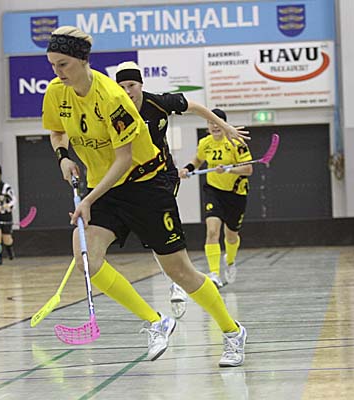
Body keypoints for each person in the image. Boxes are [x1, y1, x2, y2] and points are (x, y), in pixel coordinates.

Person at [42, 26, 246, 367]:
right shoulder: (55, 92)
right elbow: (57, 131)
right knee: (87, 259)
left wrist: (88, 199)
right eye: (52, 65)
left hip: (145, 187)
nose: (57, 72)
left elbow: (124, 159)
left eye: (63, 64)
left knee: (180, 272)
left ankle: (232, 331)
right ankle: (156, 321)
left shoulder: (113, 99)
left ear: (82, 60)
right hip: (104, 188)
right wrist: (63, 157)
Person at [115, 61, 248, 318]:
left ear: (141, 84)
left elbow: (196, 107)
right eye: (121, 87)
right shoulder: (113, 110)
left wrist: (226, 127)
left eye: (131, 85)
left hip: (163, 177)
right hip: (132, 180)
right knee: (157, 236)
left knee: (167, 233)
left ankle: (181, 281)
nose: (127, 91)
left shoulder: (159, 103)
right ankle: (183, 278)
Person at [178, 109, 253, 288]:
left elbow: (248, 169)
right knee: (212, 232)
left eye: (217, 122)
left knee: (231, 236)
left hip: (236, 193)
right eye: (210, 122)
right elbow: (198, 160)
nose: (214, 126)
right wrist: (188, 169)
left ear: (224, 124)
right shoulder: (205, 143)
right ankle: (214, 274)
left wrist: (229, 169)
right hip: (213, 191)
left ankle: (230, 261)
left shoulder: (237, 142)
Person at [0, 163, 17, 263]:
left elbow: (13, 200)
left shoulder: (6, 188)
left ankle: (10, 252)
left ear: (0, 174)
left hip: (6, 215)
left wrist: (5, 206)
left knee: (7, 239)